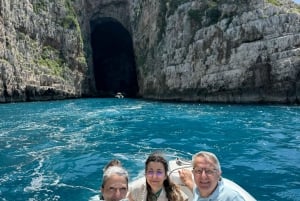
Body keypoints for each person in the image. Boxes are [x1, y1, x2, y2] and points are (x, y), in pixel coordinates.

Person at [179, 151, 245, 201]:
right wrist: (188, 181)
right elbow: (196, 191)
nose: (203, 176)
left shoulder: (231, 198)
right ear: (193, 173)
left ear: (219, 174)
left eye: (209, 171)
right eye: (198, 171)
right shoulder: (199, 191)